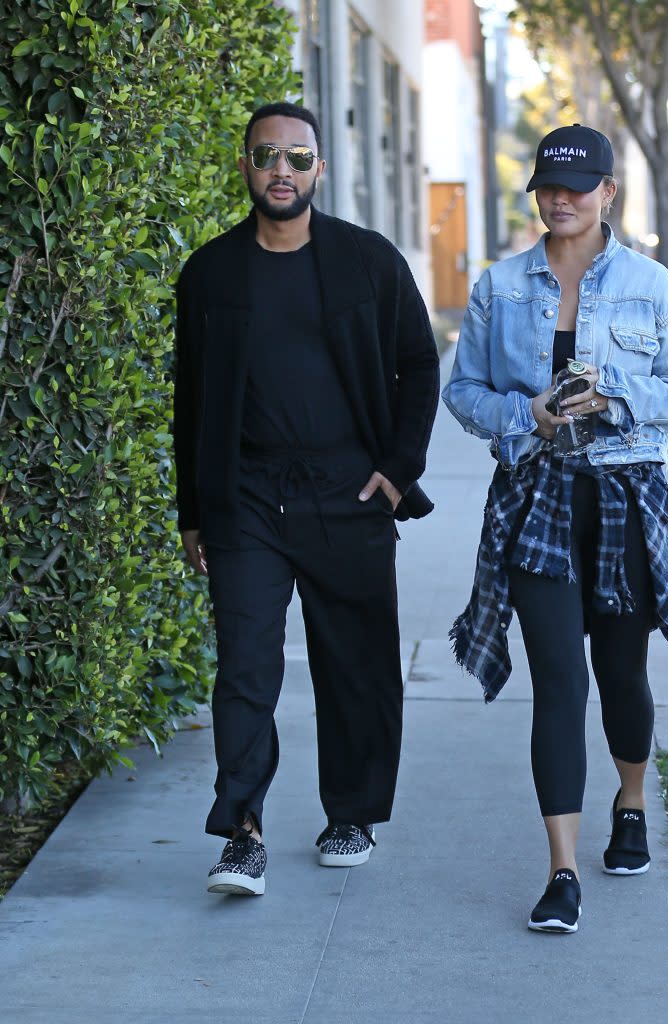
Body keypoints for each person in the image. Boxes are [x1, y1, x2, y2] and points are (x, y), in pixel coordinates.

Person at [443, 124, 668, 933]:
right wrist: (523, 414)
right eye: (548, 185)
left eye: (578, 185)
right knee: (558, 687)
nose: (561, 198)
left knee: (620, 675)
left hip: (624, 501)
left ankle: (631, 802)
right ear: (536, 193)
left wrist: (613, 400)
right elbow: (462, 392)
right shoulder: (500, 288)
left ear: (609, 191)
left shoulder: (651, 285)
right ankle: (561, 872)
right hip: (536, 502)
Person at [173, 101, 439, 896]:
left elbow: (418, 365)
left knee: (354, 664)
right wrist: (193, 510)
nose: (281, 171)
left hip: (347, 491)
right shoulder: (211, 272)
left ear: (319, 169)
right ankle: (242, 834)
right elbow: (190, 400)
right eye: (266, 156)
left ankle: (350, 812)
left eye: (297, 157)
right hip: (245, 499)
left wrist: (396, 469)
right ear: (245, 166)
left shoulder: (367, 262)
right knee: (247, 669)